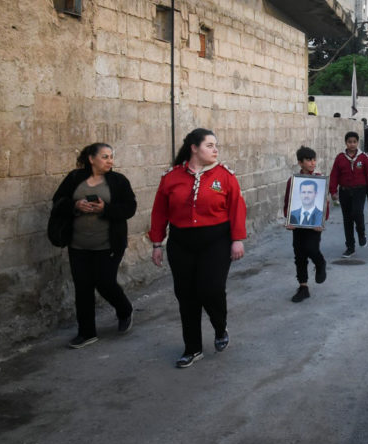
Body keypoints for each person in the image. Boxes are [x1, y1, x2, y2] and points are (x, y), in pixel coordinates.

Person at [150, 128, 247, 369]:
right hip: (181, 242)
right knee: (186, 295)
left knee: (211, 289)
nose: (215, 150)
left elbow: (237, 208)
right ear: (194, 148)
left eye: (216, 145)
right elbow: (160, 212)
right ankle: (192, 348)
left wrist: (237, 239)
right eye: (209, 145)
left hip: (216, 240)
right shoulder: (171, 178)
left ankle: (219, 325)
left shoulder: (225, 176)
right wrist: (156, 243)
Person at [49, 143, 136, 349]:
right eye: (105, 157)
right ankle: (86, 333)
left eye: (111, 157)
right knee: (83, 287)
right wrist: (75, 205)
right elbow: (58, 201)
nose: (110, 161)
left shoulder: (118, 181)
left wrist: (105, 208)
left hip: (108, 245)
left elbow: (129, 208)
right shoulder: (74, 178)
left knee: (105, 282)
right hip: (78, 245)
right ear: (91, 159)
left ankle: (124, 310)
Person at [283, 146, 328, 303]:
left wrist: (322, 221)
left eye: (314, 159)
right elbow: (288, 201)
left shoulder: (319, 179)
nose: (312, 163)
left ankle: (320, 262)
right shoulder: (294, 181)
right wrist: (288, 220)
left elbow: (324, 203)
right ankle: (303, 287)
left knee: (311, 248)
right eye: (308, 160)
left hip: (314, 223)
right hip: (298, 224)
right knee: (299, 254)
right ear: (300, 163)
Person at [329, 131, 368, 257]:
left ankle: (361, 233)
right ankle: (350, 247)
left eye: (354, 142)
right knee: (347, 220)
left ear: (357, 143)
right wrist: (333, 191)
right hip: (344, 191)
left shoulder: (363, 158)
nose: (352, 144)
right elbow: (334, 175)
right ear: (346, 143)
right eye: (349, 142)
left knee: (357, 212)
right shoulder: (340, 158)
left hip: (359, 190)